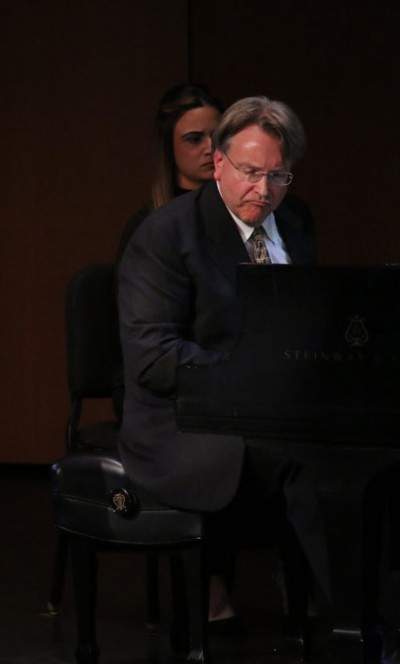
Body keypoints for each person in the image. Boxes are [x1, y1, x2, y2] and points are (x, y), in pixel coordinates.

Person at [116, 96, 330, 634]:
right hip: (186, 422)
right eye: (251, 172)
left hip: (277, 411)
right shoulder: (167, 235)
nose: (264, 190)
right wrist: (257, 380)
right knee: (308, 461)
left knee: (368, 448)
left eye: (279, 175)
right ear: (219, 164)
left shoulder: (296, 220)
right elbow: (154, 357)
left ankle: (365, 607)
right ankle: (348, 614)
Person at [116, 83, 224, 263]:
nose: (210, 148)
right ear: (168, 146)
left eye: (218, 136)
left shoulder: (244, 211)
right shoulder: (148, 225)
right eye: (194, 139)